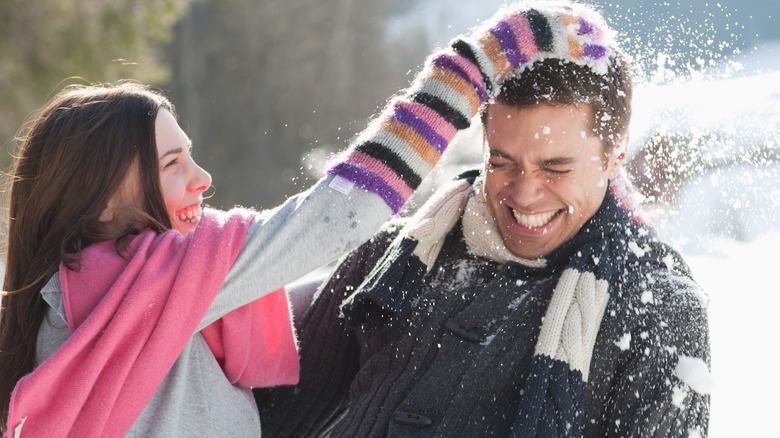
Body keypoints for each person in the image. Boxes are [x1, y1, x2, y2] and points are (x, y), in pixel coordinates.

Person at [0, 20, 495, 436]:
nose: (203, 179)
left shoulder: (73, 300)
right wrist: (474, 67)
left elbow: (273, 282)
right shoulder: (154, 281)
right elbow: (339, 215)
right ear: (101, 201)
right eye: (172, 165)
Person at [255, 2, 711, 437]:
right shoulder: (399, 253)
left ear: (615, 156)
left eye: (555, 168)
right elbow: (270, 420)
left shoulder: (657, 309)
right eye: (502, 161)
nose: (525, 194)